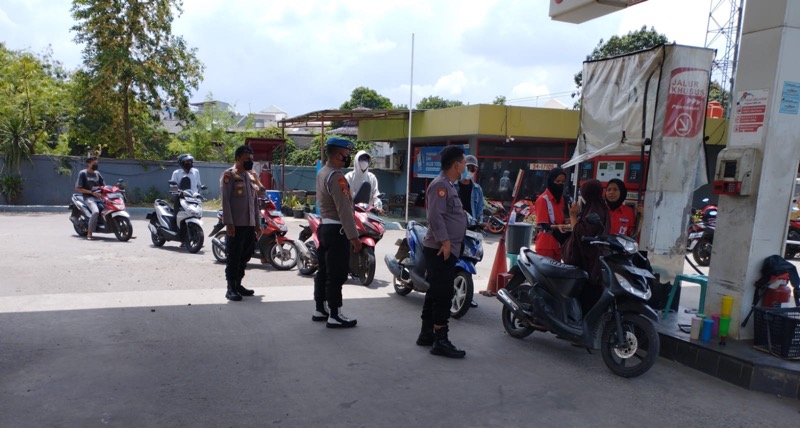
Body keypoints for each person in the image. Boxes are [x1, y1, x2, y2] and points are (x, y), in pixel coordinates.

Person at [416, 145, 468, 359]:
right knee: (443, 294)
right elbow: (435, 216)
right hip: (440, 249)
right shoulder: (440, 185)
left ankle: (426, 333)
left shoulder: (449, 185)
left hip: (446, 248)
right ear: (456, 165)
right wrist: (446, 242)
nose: (466, 166)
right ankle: (441, 340)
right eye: (464, 162)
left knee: (435, 292)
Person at [313, 136, 361, 328]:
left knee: (324, 271)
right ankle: (335, 313)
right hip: (337, 230)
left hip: (325, 227)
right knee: (337, 274)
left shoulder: (323, 172)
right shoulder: (337, 176)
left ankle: (320, 308)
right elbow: (344, 210)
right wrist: (354, 237)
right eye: (347, 155)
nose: (348, 158)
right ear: (338, 155)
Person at [220, 145, 262, 301]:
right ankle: (230, 288)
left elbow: (255, 201)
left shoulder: (250, 177)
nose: (250, 162)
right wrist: (229, 223)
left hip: (249, 224)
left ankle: (238, 284)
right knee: (234, 256)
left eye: (251, 159)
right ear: (238, 158)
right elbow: (226, 201)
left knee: (245, 255)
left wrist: (258, 224)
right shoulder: (229, 175)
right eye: (247, 159)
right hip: (236, 225)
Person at [566, 179, 611, 312]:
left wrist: (573, 216)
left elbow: (580, 233)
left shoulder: (595, 209)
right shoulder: (599, 206)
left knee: (585, 294)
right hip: (594, 258)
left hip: (588, 260)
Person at [533, 167, 570, 260]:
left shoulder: (562, 199)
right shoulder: (543, 200)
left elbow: (561, 218)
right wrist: (558, 226)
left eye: (562, 182)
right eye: (557, 181)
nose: (560, 184)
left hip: (558, 243)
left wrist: (568, 221)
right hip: (546, 245)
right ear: (550, 181)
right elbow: (542, 225)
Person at [75, 156, 105, 240]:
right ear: (88, 164)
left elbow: (103, 186)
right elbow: (78, 188)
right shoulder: (83, 173)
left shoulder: (98, 174)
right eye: (94, 163)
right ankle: (89, 232)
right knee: (95, 212)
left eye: (97, 163)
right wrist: (92, 192)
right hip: (88, 198)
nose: (96, 165)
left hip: (99, 197)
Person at [455, 155, 485, 222]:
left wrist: (479, 224)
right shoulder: (452, 186)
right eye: (467, 168)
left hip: (471, 225)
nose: (469, 171)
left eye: (472, 169)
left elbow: (480, 210)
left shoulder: (477, 189)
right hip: (455, 224)